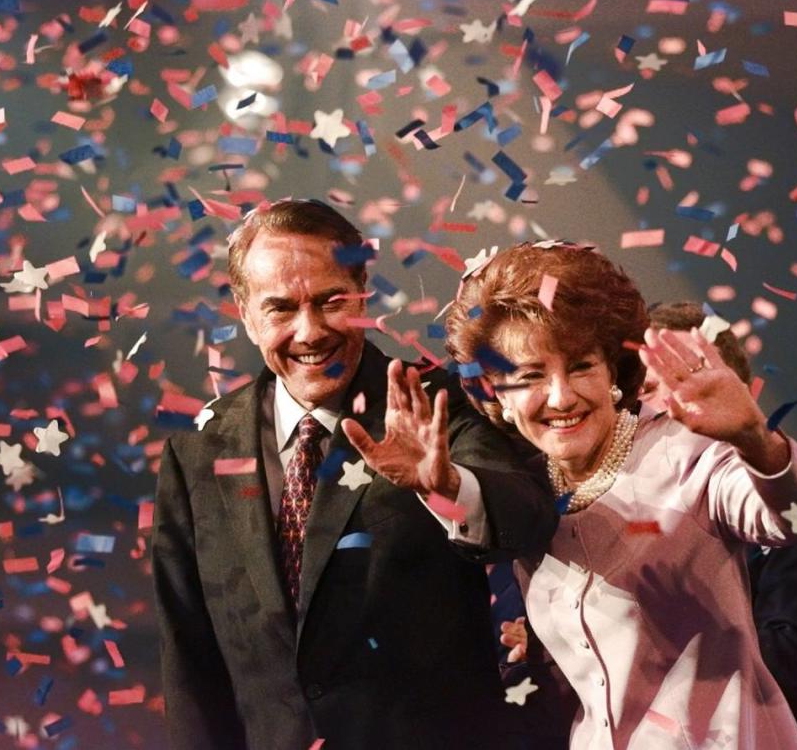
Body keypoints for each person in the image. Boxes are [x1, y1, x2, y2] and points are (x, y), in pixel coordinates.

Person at [151, 199, 557, 750]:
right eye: (280, 309)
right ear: (246, 315)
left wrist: (446, 489)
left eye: (330, 301)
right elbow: (189, 656)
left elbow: (527, 515)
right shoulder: (197, 450)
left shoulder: (436, 402)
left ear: (363, 291)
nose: (309, 331)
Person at [445, 241, 797, 749]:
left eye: (581, 366)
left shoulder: (683, 451)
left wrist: (754, 438)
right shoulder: (527, 495)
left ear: (612, 370)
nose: (561, 396)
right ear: (498, 392)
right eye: (531, 375)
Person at [644, 301, 797, 750]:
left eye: (685, 375)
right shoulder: (628, 522)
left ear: (737, 392)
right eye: (643, 386)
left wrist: (645, 635)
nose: (663, 400)